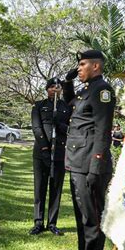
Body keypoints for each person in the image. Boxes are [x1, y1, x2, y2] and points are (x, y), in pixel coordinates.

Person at [56, 50, 115, 250]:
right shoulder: (87, 90)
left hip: (90, 164)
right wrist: (68, 81)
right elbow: (71, 104)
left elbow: (103, 130)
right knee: (82, 218)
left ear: (96, 66)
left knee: (92, 220)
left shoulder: (103, 91)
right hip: (77, 162)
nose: (79, 68)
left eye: (82, 65)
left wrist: (96, 166)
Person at [30, 77, 72, 236]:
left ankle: (52, 222)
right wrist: (45, 148)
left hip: (59, 153)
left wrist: (60, 124)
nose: (55, 89)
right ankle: (38, 222)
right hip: (41, 152)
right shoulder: (39, 106)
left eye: (58, 87)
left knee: (56, 188)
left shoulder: (65, 107)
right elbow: (36, 127)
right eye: (52, 86)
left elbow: (70, 128)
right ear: (47, 89)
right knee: (39, 187)